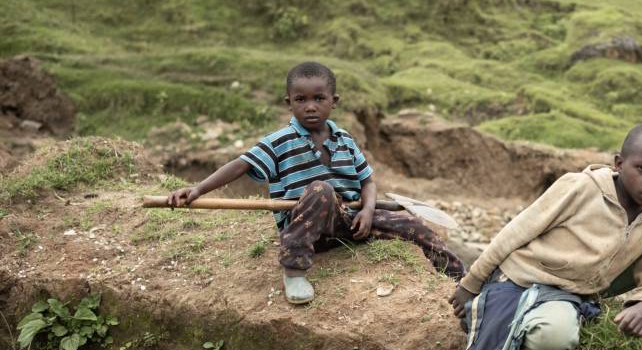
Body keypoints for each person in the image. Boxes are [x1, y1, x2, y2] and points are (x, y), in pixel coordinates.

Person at [166, 61, 464, 304]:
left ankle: (461, 278)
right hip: (308, 229)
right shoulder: (281, 141)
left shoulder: (345, 139)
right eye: (301, 99)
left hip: (348, 223)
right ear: (289, 103)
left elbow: (368, 181)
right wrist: (198, 189)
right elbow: (240, 164)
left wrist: (368, 211)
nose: (310, 106)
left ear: (333, 102)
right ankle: (294, 270)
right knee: (321, 189)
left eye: (318, 99)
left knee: (411, 224)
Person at [448, 124, 642, 350]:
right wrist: (470, 283)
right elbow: (516, 231)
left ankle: (491, 322)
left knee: (557, 339)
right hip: (516, 281)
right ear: (619, 163)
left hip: (566, 295)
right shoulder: (579, 188)